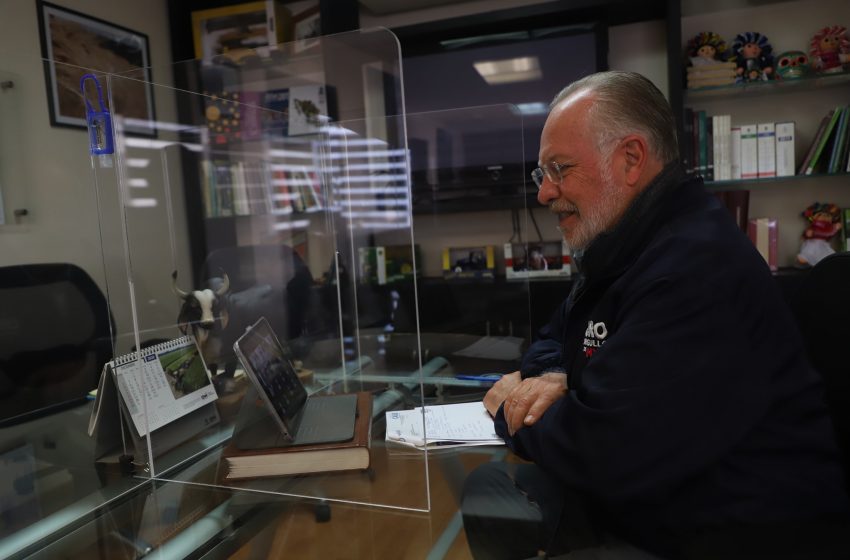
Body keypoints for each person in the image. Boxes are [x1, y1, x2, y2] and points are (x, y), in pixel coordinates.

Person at [461, 71, 849, 559]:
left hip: (730, 532)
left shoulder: (696, 266)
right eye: (544, 175)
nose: (543, 193)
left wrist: (508, 408)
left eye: (560, 169)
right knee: (487, 489)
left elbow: (601, 449)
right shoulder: (621, 247)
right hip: (648, 503)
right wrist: (559, 374)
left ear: (630, 159)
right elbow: (549, 340)